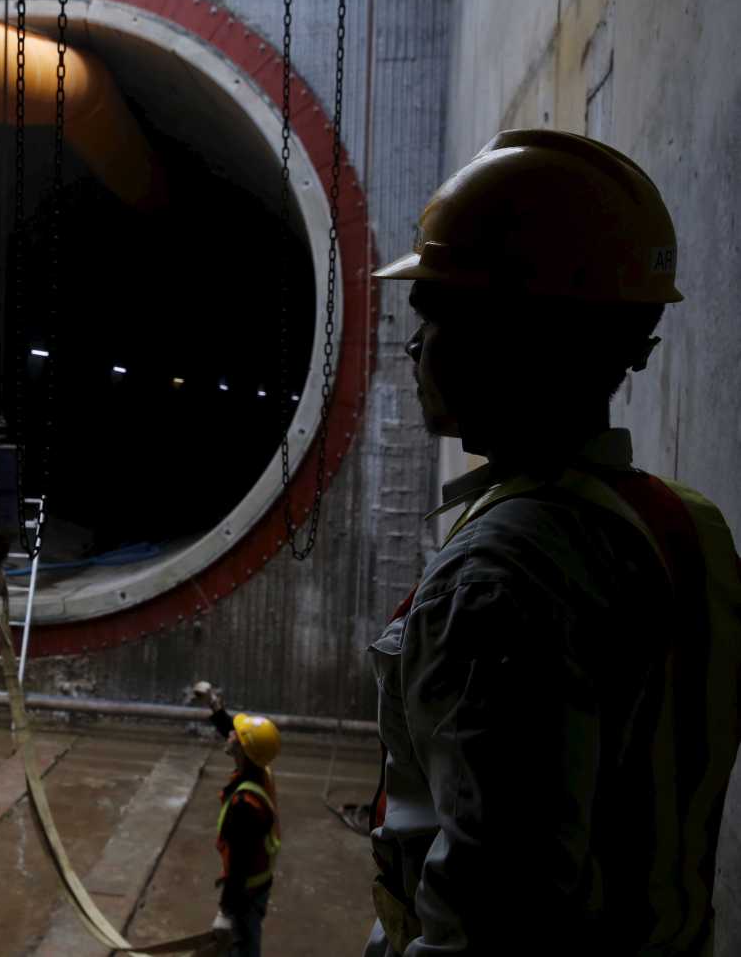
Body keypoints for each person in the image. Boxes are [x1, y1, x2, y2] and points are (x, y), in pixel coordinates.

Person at [363, 130, 741, 955]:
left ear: (514, 340)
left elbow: (497, 917)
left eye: (436, 315)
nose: (415, 345)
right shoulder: (687, 525)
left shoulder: (501, 580)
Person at [193, 682, 282, 957]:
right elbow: (234, 731)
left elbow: (239, 866)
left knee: (243, 945)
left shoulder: (246, 806)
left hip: (246, 891)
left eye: (236, 735)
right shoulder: (260, 768)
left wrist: (225, 911)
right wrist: (214, 704)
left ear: (242, 749)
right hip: (259, 884)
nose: (229, 733)